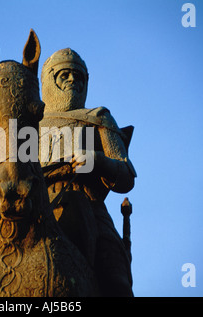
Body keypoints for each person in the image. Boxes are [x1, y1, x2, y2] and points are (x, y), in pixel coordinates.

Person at [39, 48, 137, 296]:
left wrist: (97, 161)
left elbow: (126, 175)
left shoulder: (99, 117)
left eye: (78, 76)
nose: (73, 80)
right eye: (65, 74)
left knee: (116, 282)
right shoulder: (30, 123)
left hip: (89, 207)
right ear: (50, 79)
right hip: (36, 205)